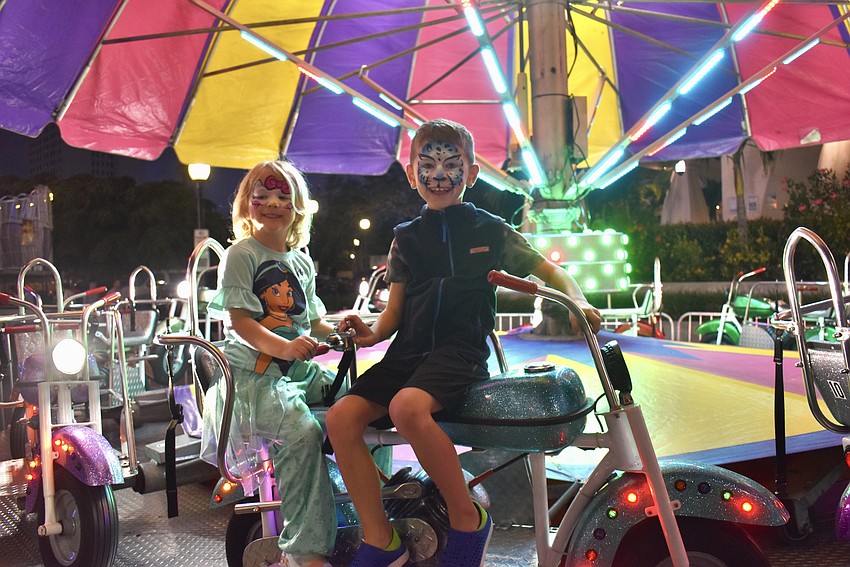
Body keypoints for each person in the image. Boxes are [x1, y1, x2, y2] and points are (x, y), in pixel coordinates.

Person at [326, 118, 602, 567]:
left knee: (406, 408)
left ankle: (467, 516)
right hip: (407, 354)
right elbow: (391, 318)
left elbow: (552, 271)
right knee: (340, 418)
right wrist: (367, 330)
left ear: (471, 174)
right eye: (427, 164)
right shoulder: (404, 240)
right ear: (412, 174)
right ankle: (382, 539)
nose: (438, 175)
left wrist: (578, 301)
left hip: (459, 353)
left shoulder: (492, 230)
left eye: (451, 165)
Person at [199, 160, 337, 567]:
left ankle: (368, 513)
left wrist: (350, 329)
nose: (273, 204)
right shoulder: (241, 255)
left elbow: (313, 322)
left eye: (283, 197)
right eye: (263, 197)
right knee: (301, 432)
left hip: (297, 372)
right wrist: (284, 348)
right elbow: (241, 322)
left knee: (364, 401)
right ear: (248, 204)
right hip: (253, 377)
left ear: (298, 206)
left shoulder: (303, 262)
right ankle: (303, 549)